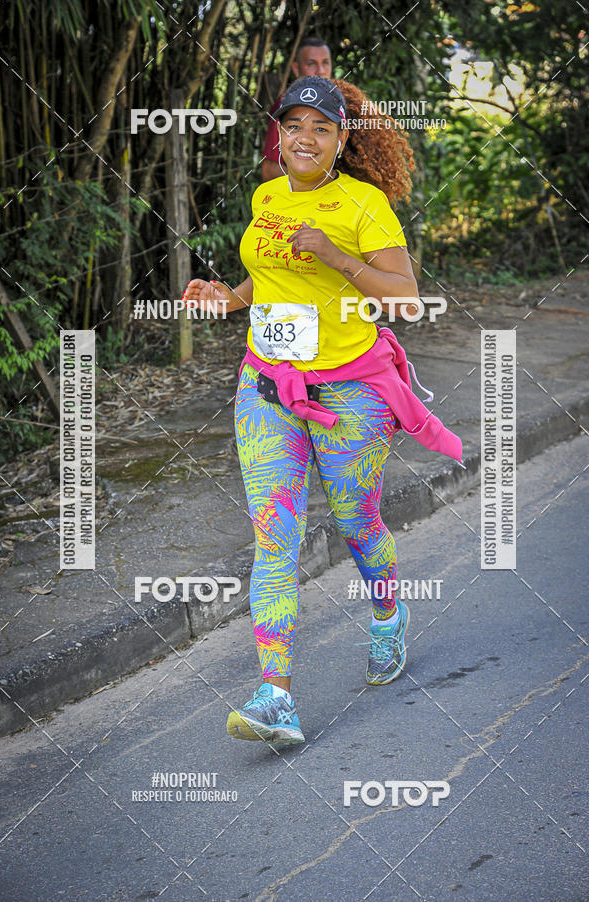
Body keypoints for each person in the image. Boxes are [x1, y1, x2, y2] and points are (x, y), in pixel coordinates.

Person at [183, 75, 463, 747]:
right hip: (268, 386)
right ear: (279, 132)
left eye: (321, 127)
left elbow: (405, 297)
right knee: (274, 535)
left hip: (350, 391)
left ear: (341, 140)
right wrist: (229, 298)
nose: (304, 138)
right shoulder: (267, 194)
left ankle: (389, 615)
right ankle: (275, 697)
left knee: (354, 520)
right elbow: (272, 277)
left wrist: (337, 255)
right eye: (293, 124)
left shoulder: (364, 205)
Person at [261, 36, 332, 182]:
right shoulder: (287, 107)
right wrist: (317, 181)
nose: (321, 71)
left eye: (325, 63)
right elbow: (269, 170)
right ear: (296, 68)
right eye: (312, 64)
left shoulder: (336, 105)